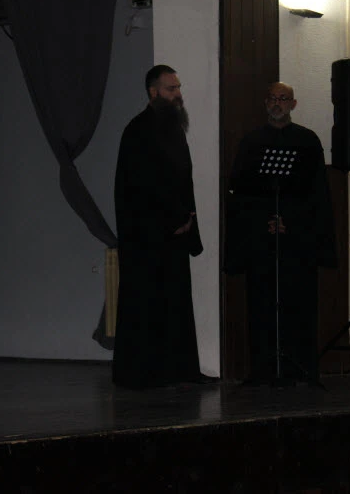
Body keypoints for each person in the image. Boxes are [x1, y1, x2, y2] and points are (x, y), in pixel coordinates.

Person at [226, 82, 337, 385]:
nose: (277, 104)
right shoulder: (251, 142)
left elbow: (316, 195)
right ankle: (263, 367)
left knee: (298, 302)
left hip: (297, 241)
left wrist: (291, 223)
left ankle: (299, 366)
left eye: (283, 99)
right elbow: (241, 193)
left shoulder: (307, 141)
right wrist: (266, 221)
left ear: (293, 104)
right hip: (261, 240)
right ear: (266, 103)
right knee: (262, 302)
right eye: (273, 99)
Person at [112, 64, 206, 389]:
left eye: (178, 88)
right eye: (171, 89)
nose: (178, 94)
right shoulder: (137, 131)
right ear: (153, 92)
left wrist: (188, 218)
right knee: (147, 304)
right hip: (147, 238)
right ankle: (144, 374)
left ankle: (180, 371)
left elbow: (182, 179)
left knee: (175, 304)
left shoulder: (173, 128)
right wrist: (172, 220)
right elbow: (142, 186)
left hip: (175, 234)